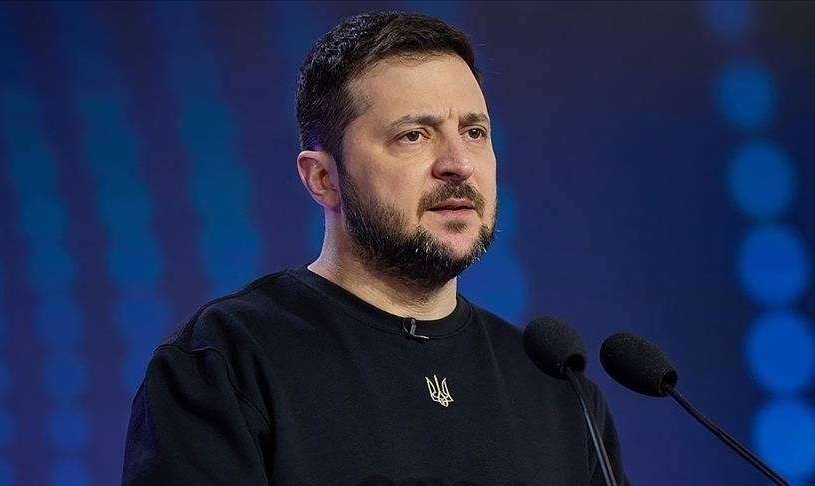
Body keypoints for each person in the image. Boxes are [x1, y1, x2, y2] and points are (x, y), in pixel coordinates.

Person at [122, 11, 626, 485]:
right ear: (323, 178)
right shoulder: (225, 362)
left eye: (474, 132)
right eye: (414, 135)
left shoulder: (556, 387)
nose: (458, 163)